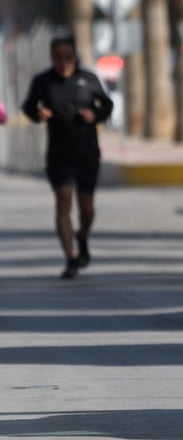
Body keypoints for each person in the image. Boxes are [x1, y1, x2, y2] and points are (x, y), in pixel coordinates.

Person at [22, 35, 113, 279]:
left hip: (87, 153)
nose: (63, 63)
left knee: (87, 208)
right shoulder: (43, 82)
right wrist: (38, 113)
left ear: (75, 58)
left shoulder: (89, 80)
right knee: (63, 200)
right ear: (52, 59)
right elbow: (29, 107)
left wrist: (95, 115)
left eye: (68, 58)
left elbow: (107, 105)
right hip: (58, 155)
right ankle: (71, 258)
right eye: (58, 59)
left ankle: (82, 236)